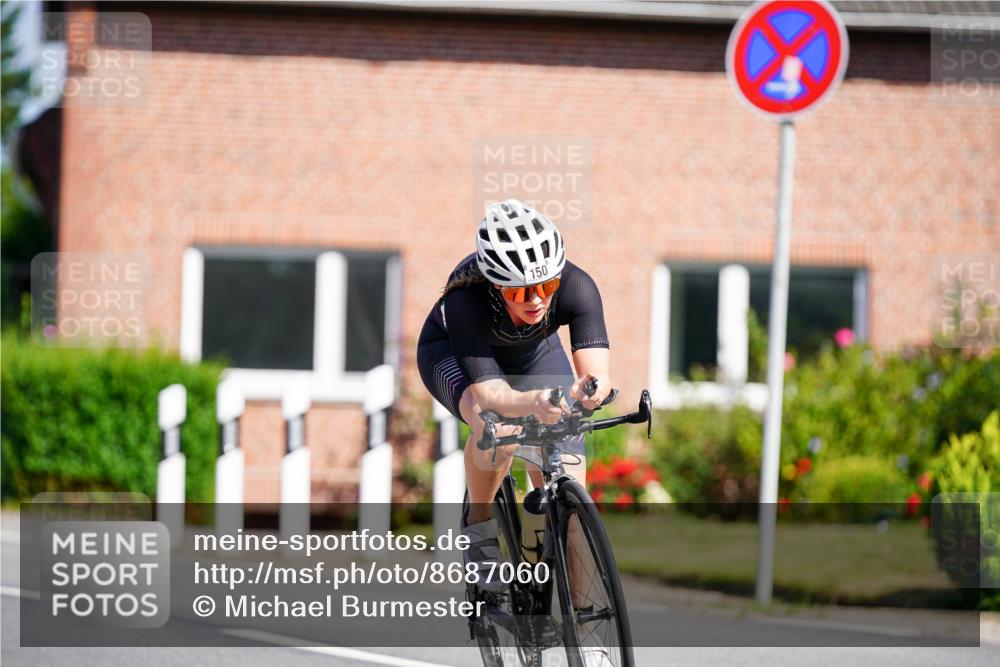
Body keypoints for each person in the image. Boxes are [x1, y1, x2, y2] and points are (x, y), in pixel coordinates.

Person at [416, 198, 612, 582]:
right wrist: (535, 401)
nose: (537, 300)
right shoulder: (465, 300)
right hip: (454, 354)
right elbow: (493, 397)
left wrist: (592, 389)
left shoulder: (578, 286)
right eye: (521, 293)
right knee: (498, 430)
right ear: (496, 284)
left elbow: (597, 373)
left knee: (570, 482)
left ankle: (587, 630)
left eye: (547, 285)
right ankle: (480, 530)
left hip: (533, 353)